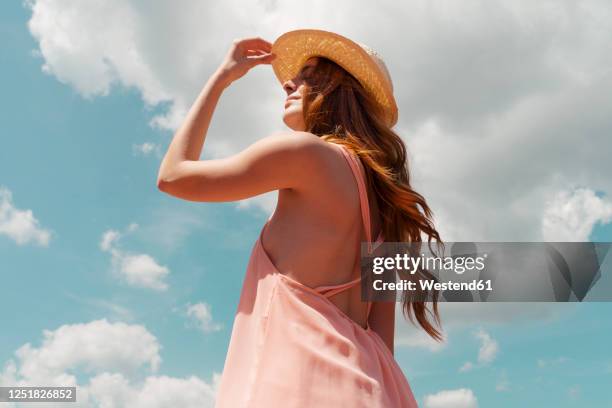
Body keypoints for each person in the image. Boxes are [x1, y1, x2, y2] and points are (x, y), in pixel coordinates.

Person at [157, 28, 443, 408]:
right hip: (375, 387)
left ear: (341, 93)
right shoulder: (386, 207)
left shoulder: (303, 153)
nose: (289, 83)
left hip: (296, 386)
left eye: (310, 77)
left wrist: (220, 80)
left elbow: (173, 176)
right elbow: (381, 338)